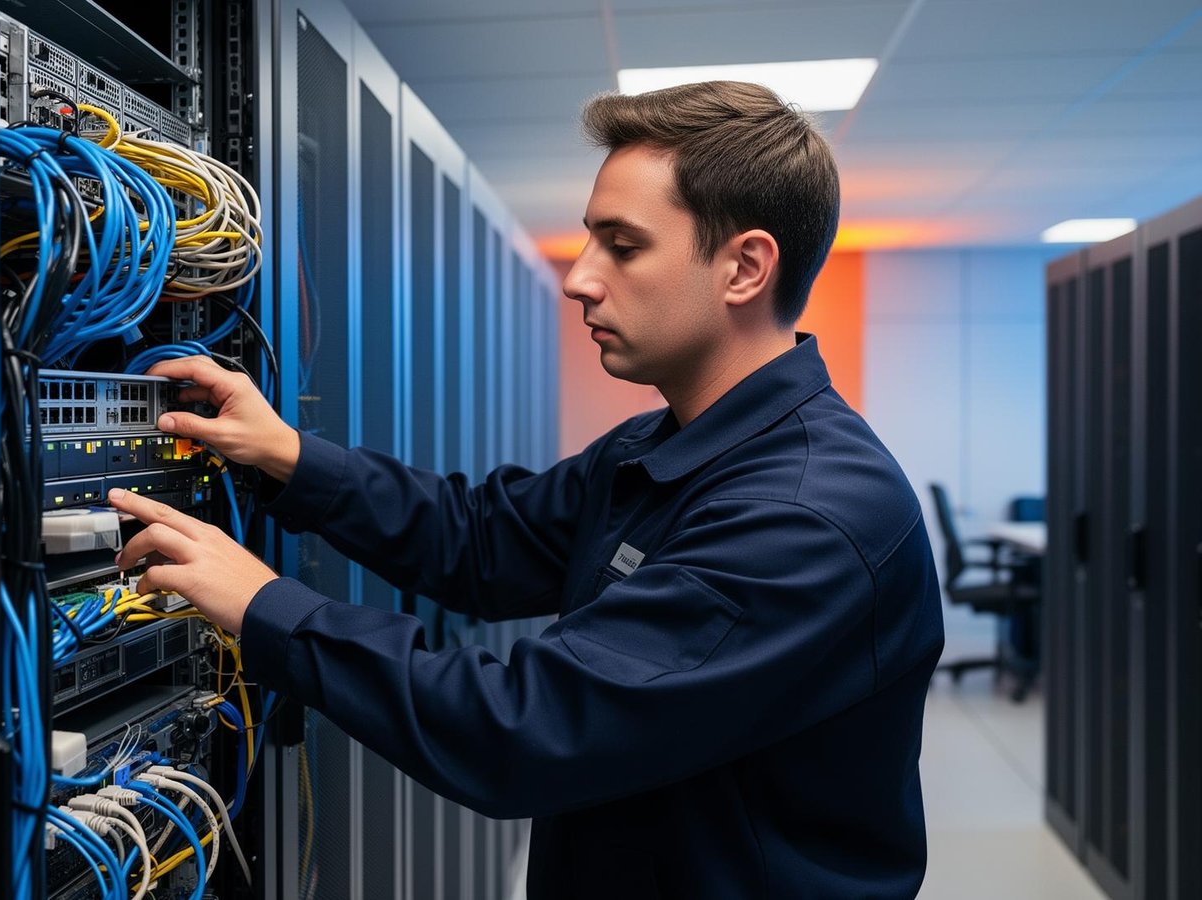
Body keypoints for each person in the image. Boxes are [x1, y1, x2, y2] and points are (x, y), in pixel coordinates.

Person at [105, 80, 945, 898]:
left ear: (744, 268)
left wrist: (266, 606)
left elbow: (528, 730)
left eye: (622, 245)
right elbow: (481, 539)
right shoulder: (669, 446)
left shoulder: (801, 518)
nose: (580, 278)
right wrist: (289, 454)